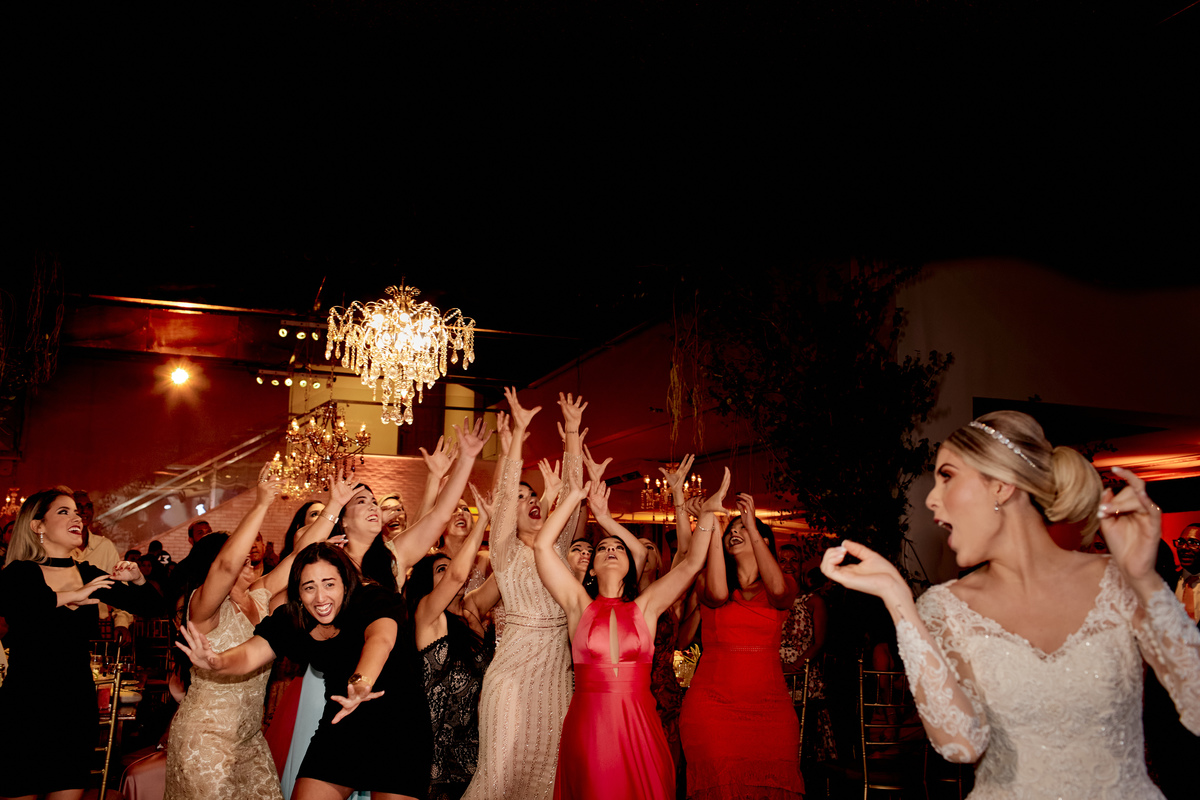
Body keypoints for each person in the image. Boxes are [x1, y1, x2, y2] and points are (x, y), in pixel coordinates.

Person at [821, 411, 1200, 798]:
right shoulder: (945, 607)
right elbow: (960, 746)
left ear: (1001, 486)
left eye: (947, 476)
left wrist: (1143, 579)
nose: (932, 500)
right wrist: (899, 602)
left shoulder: (1116, 583)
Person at [179, 543, 427, 800]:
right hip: (341, 722)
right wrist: (217, 661)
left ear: (346, 583)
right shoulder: (294, 618)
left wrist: (361, 682)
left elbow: (380, 640)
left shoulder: (373, 599)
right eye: (309, 587)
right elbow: (251, 653)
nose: (320, 598)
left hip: (398, 725)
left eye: (329, 584)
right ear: (297, 592)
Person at [535, 467, 727, 800]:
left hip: (641, 724)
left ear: (631, 565)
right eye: (602, 548)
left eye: (619, 548)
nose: (611, 550)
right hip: (590, 727)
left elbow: (693, 562)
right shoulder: (578, 604)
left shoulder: (646, 606)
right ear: (591, 568)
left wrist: (707, 515)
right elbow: (541, 546)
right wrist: (575, 497)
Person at [0, 486, 163, 799]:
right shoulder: (20, 572)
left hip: (74, 707)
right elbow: (24, 605)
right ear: (38, 525)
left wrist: (138, 580)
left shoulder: (88, 574)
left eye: (77, 512)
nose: (77, 517)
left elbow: (154, 608)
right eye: (64, 512)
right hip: (25, 706)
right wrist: (73, 595)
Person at [463, 390, 587, 800]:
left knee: (547, 780)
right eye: (521, 499)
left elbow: (573, 491)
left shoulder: (557, 546)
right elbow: (502, 495)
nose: (530, 501)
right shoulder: (504, 550)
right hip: (511, 678)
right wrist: (517, 433)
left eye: (533, 496)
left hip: (556, 681)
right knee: (498, 780)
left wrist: (572, 432)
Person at [164, 465, 292, 800]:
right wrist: (261, 503)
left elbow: (300, 556)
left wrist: (333, 508)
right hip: (205, 741)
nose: (249, 558)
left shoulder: (259, 598)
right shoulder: (203, 609)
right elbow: (225, 566)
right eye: (241, 556)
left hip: (250, 740)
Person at [679, 491, 804, 800]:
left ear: (763, 538)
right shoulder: (708, 580)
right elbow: (718, 595)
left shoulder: (785, 583)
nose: (734, 533)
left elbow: (778, 593)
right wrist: (714, 530)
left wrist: (751, 522)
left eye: (741, 529)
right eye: (730, 532)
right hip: (713, 707)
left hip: (770, 708)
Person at [410, 485, 498, 800]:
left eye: (451, 567)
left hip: (472, 748)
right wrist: (482, 521)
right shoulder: (427, 615)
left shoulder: (471, 613)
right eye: (441, 570)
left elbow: (505, 573)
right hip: (430, 747)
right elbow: (457, 577)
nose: (450, 574)